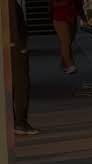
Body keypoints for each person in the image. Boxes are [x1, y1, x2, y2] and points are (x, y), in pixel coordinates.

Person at [12, 0, 39, 135]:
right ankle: (20, 122)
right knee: (21, 85)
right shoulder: (10, 5)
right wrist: (20, 46)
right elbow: (14, 24)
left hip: (12, 47)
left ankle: (16, 122)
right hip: (14, 49)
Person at [49, 0, 87, 74]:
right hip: (59, 17)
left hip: (72, 16)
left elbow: (78, 4)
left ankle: (64, 63)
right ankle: (70, 64)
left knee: (69, 41)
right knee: (66, 41)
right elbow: (52, 3)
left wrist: (83, 17)